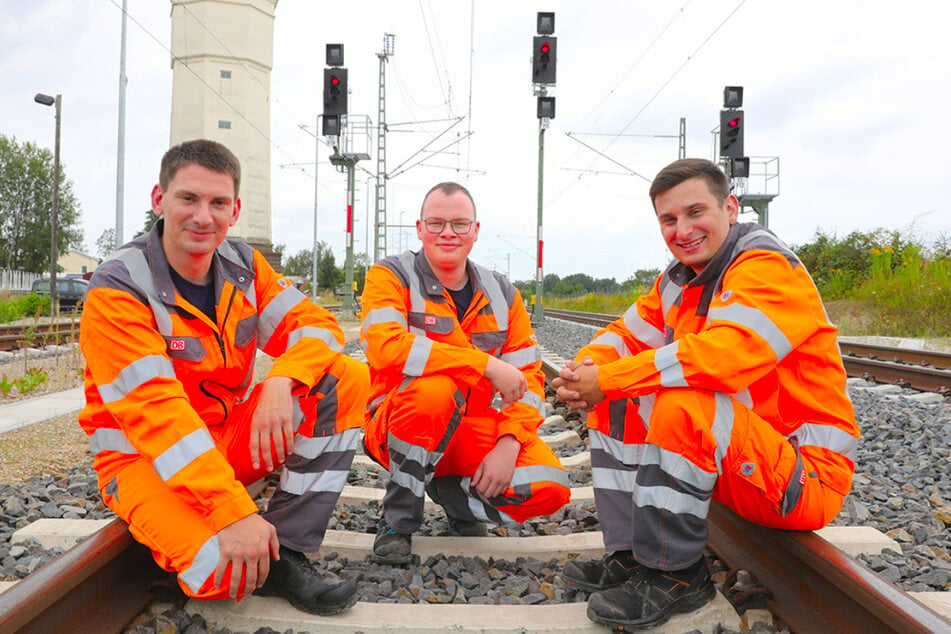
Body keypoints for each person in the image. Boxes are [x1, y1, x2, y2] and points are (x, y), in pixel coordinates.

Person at [553, 158, 859, 630]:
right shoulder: (679, 280)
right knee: (619, 398)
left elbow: (723, 359)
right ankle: (632, 556)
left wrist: (610, 379)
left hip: (804, 478)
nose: (683, 229)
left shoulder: (767, 268)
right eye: (669, 219)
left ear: (731, 208)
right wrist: (587, 371)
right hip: (745, 464)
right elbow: (624, 335)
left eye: (696, 212)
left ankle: (676, 576)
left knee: (682, 396)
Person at [78, 139, 369, 615]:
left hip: (225, 440)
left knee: (345, 378)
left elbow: (319, 326)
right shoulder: (120, 288)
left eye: (217, 203)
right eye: (188, 198)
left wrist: (282, 380)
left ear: (234, 211)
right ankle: (202, 532)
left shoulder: (244, 267)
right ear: (159, 199)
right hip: (143, 459)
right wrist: (232, 511)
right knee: (223, 573)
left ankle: (287, 549)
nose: (202, 216)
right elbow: (158, 415)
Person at [359, 181, 571, 564]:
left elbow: (531, 380)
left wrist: (508, 444)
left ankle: (449, 491)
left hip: (468, 429)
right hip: (399, 423)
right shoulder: (390, 276)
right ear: (420, 229)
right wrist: (484, 364)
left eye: (459, 224)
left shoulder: (503, 293)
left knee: (550, 487)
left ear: (475, 231)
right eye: (436, 223)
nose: (447, 233)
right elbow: (386, 346)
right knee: (435, 390)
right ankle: (397, 521)